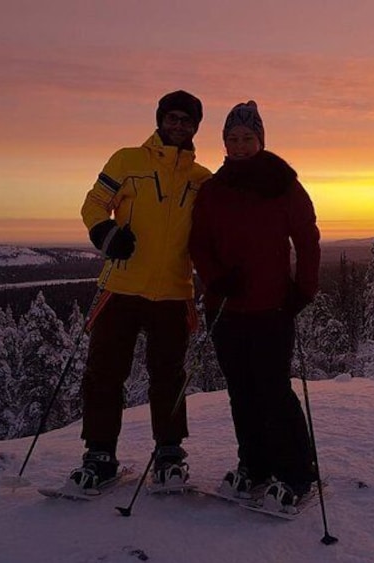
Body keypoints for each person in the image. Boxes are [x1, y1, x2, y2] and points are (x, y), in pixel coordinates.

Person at [69, 90, 212, 491]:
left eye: (187, 121)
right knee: (104, 373)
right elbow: (95, 201)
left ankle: (169, 453)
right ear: (160, 119)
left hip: (173, 291)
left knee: (168, 376)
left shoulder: (202, 180)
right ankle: (99, 454)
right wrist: (106, 232)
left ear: (195, 127)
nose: (179, 125)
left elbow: (219, 231)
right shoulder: (127, 160)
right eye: (173, 118)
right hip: (121, 286)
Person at [189, 100, 321, 506]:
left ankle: (297, 473)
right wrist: (215, 278)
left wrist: (303, 290)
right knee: (241, 392)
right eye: (233, 139)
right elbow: (199, 242)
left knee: (274, 391)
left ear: (260, 140)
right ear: (224, 143)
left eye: (247, 138)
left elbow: (307, 239)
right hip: (226, 309)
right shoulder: (213, 190)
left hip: (271, 308)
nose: (240, 145)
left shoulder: (283, 184)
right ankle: (255, 465)